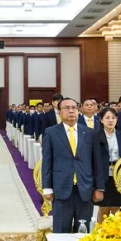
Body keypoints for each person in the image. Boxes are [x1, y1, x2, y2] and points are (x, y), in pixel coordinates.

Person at [41, 97, 104, 233]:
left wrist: (99, 187)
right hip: (61, 188)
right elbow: (47, 161)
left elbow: (96, 162)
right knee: (61, 231)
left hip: (85, 189)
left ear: (78, 110)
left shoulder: (89, 133)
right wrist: (47, 188)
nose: (71, 111)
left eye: (74, 108)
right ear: (59, 112)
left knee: (83, 232)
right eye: (66, 108)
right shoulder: (51, 132)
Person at [94, 108, 121, 224]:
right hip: (102, 174)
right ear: (101, 120)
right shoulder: (95, 136)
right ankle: (100, 231)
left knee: (117, 206)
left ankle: (115, 231)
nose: (110, 120)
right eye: (107, 118)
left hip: (119, 175)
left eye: (113, 118)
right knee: (104, 208)